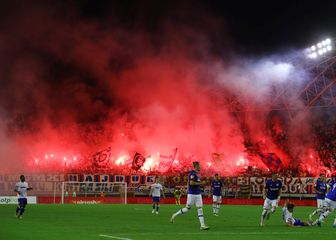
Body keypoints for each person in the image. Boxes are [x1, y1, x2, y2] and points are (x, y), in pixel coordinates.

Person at [170, 161, 210, 230]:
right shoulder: (192, 173)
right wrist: (200, 183)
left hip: (198, 194)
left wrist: (189, 188)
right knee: (187, 209)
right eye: (199, 166)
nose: (200, 167)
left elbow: (189, 183)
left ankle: (202, 225)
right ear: (196, 166)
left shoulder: (197, 174)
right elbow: (191, 182)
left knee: (200, 208)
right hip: (192, 194)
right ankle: (175, 214)